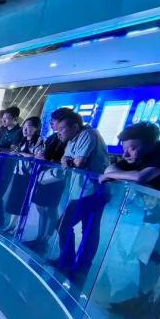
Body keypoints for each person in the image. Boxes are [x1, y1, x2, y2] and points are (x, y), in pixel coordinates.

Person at [50, 107, 111, 279]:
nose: (58, 132)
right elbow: (65, 159)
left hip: (93, 191)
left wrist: (70, 160)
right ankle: (70, 261)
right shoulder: (72, 139)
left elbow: (79, 162)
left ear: (75, 126)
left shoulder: (88, 134)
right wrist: (68, 160)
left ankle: (77, 266)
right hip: (82, 192)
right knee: (77, 227)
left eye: (62, 128)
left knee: (83, 229)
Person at [100, 121, 160, 191]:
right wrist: (111, 174)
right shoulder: (139, 156)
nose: (125, 155)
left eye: (132, 149)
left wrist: (109, 175)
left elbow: (141, 177)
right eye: (124, 149)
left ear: (150, 144)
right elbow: (110, 169)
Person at [2, 115, 45, 233]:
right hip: (18, 173)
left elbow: (37, 156)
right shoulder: (23, 141)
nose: (25, 129)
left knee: (24, 201)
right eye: (24, 127)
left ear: (36, 128)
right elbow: (17, 153)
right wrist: (15, 153)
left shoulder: (39, 141)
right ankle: (11, 224)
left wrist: (20, 153)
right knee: (15, 199)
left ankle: (19, 227)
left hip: (29, 176)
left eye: (29, 127)